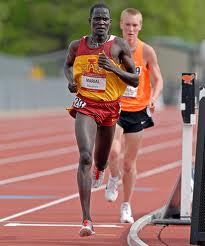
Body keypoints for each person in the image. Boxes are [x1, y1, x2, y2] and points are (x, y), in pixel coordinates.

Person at [64, 3, 139, 237]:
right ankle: (87, 219)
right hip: (86, 104)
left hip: (109, 108)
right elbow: (67, 66)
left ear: (109, 22)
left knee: (101, 160)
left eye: (105, 19)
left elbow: (135, 79)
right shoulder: (77, 45)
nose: (101, 23)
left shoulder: (118, 46)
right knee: (85, 156)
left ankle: (101, 169)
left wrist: (114, 69)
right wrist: (71, 81)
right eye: (97, 19)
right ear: (90, 21)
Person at [105, 8, 163, 223]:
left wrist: (154, 98)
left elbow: (158, 79)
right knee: (113, 152)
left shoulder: (146, 51)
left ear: (140, 26)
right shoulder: (111, 49)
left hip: (138, 111)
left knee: (129, 164)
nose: (131, 29)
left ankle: (126, 205)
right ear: (120, 25)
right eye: (127, 24)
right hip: (115, 107)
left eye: (135, 25)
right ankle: (112, 177)